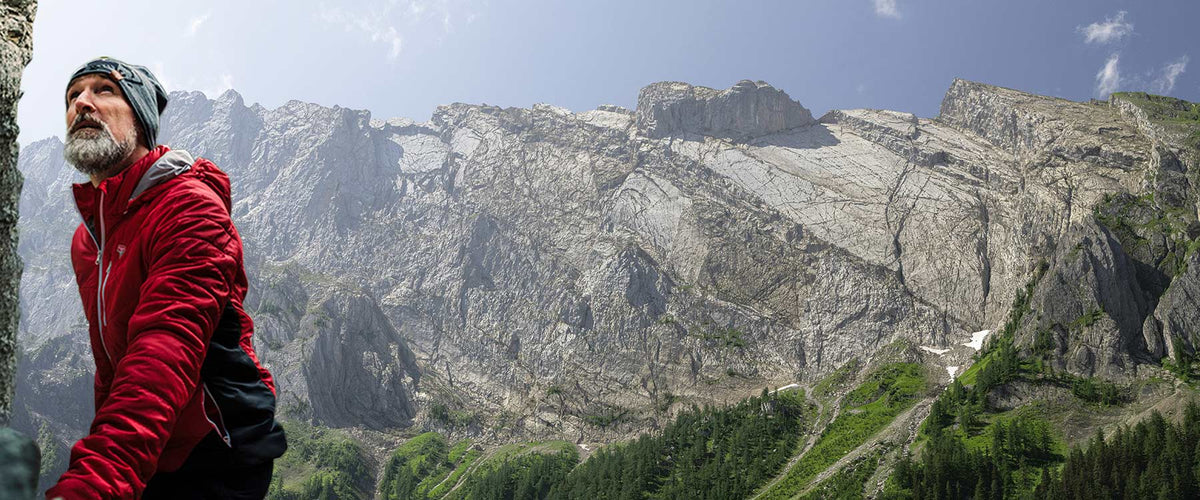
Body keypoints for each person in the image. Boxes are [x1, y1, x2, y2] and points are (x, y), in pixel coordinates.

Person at [45, 57, 286, 499]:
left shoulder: (188, 205)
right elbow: (111, 362)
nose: (81, 103)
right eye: (72, 96)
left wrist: (100, 479)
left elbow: (165, 347)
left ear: (139, 117)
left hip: (216, 445)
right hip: (152, 442)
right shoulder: (88, 240)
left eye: (103, 90)